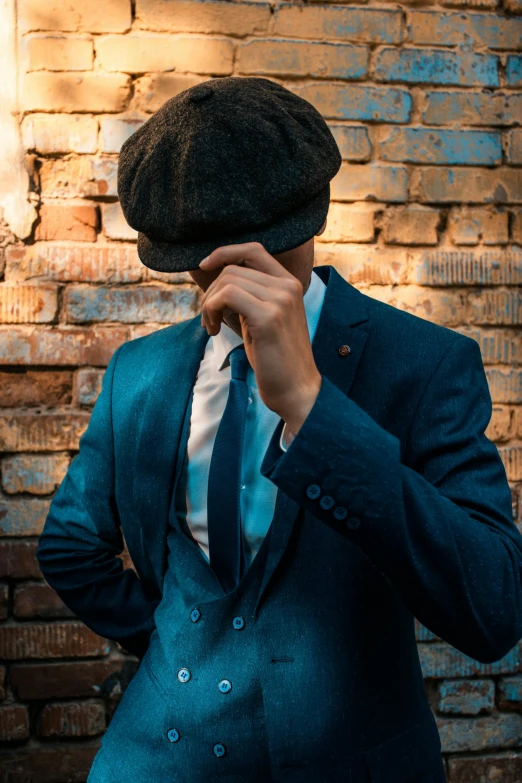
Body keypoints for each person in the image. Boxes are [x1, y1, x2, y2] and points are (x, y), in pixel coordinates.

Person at [36, 77, 522, 783]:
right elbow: (71, 544)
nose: (237, 274)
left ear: (307, 215)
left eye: (258, 247)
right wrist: (173, 640)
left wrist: (313, 406)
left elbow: (494, 607)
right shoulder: (141, 371)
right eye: (209, 258)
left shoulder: (425, 364)